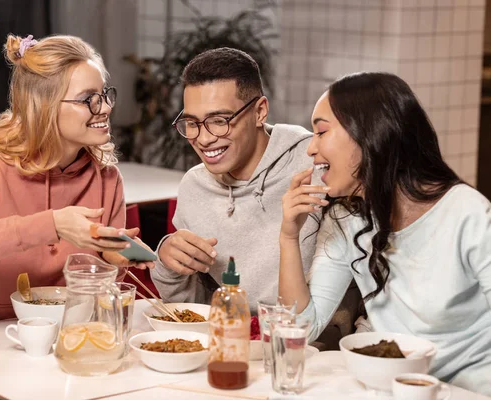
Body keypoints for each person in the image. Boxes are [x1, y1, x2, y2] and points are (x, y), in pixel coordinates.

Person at [0, 34, 152, 400]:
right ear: (45, 105)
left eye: (105, 94)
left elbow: (99, 282)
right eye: (88, 99)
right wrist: (51, 224)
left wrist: (117, 259)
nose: (104, 107)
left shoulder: (106, 176)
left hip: (62, 354)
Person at [279, 71, 491, 396]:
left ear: (370, 133)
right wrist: (289, 236)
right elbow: (301, 328)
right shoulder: (347, 218)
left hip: (478, 390)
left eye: (321, 131)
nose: (311, 149)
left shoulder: (468, 214)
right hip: (392, 387)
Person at [150, 48, 362, 348]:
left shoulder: (316, 167)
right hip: (232, 346)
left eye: (219, 120)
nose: (204, 138)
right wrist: (170, 266)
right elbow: (197, 310)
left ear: (260, 111)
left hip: (315, 350)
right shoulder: (194, 187)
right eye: (192, 123)